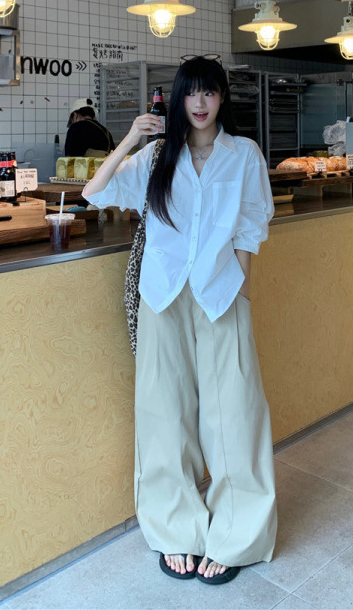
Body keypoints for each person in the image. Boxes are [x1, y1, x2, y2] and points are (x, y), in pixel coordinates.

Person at [82, 55, 277, 586]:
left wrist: (242, 287)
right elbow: (95, 192)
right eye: (190, 93)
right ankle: (176, 529)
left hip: (221, 294)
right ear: (176, 100)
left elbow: (252, 224)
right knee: (163, 413)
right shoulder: (156, 157)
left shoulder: (244, 154)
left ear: (222, 98)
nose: (200, 103)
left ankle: (238, 535)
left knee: (235, 412)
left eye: (209, 92)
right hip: (162, 296)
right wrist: (130, 138)